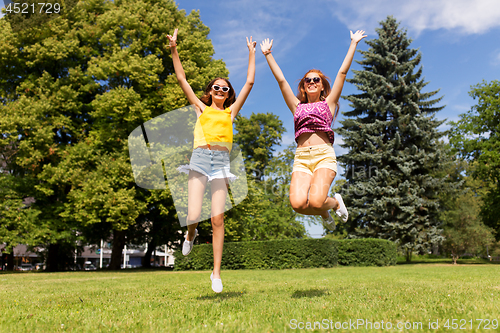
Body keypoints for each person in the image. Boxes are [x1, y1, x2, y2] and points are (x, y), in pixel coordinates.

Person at [166, 29, 256, 293]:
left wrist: (252, 54)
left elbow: (249, 83)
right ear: (210, 91)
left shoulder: (230, 112)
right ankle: (191, 233)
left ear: (228, 94)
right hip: (201, 158)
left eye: (224, 88)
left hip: (221, 163)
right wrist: (174, 49)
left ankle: (216, 273)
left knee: (217, 219)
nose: (220, 90)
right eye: (216, 87)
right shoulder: (200, 108)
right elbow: (182, 79)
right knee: (193, 214)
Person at [260, 30, 366, 230]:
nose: (311, 82)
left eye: (316, 80)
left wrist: (353, 43)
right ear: (303, 86)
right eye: (307, 80)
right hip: (301, 158)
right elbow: (281, 81)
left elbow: (342, 73)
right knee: (298, 205)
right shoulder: (296, 106)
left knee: (317, 201)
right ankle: (324, 212)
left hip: (323, 155)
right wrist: (268, 55)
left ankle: (333, 203)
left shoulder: (329, 104)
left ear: (322, 86)